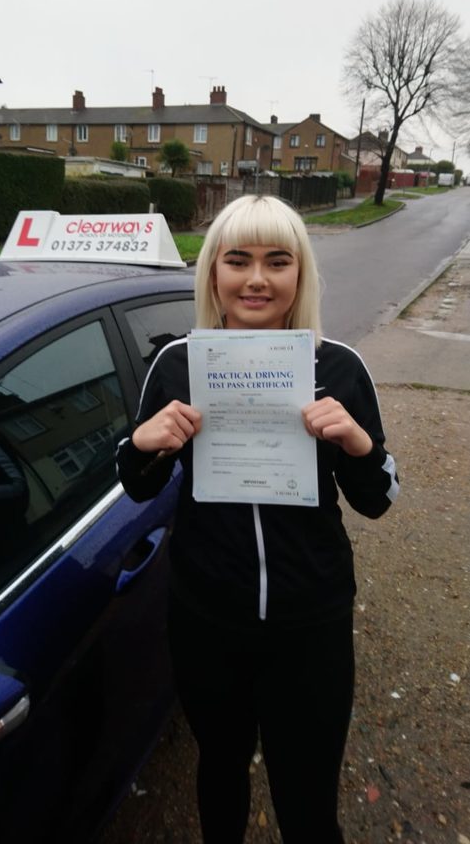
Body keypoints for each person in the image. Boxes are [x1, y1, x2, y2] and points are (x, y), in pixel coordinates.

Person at [116, 195, 399, 844]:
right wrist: (144, 443)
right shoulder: (176, 364)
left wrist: (359, 446)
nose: (256, 279)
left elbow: (377, 498)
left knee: (308, 797)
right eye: (237, 260)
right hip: (207, 617)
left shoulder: (339, 366)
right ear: (212, 271)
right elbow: (135, 484)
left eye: (277, 261)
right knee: (220, 769)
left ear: (300, 274)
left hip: (312, 620)